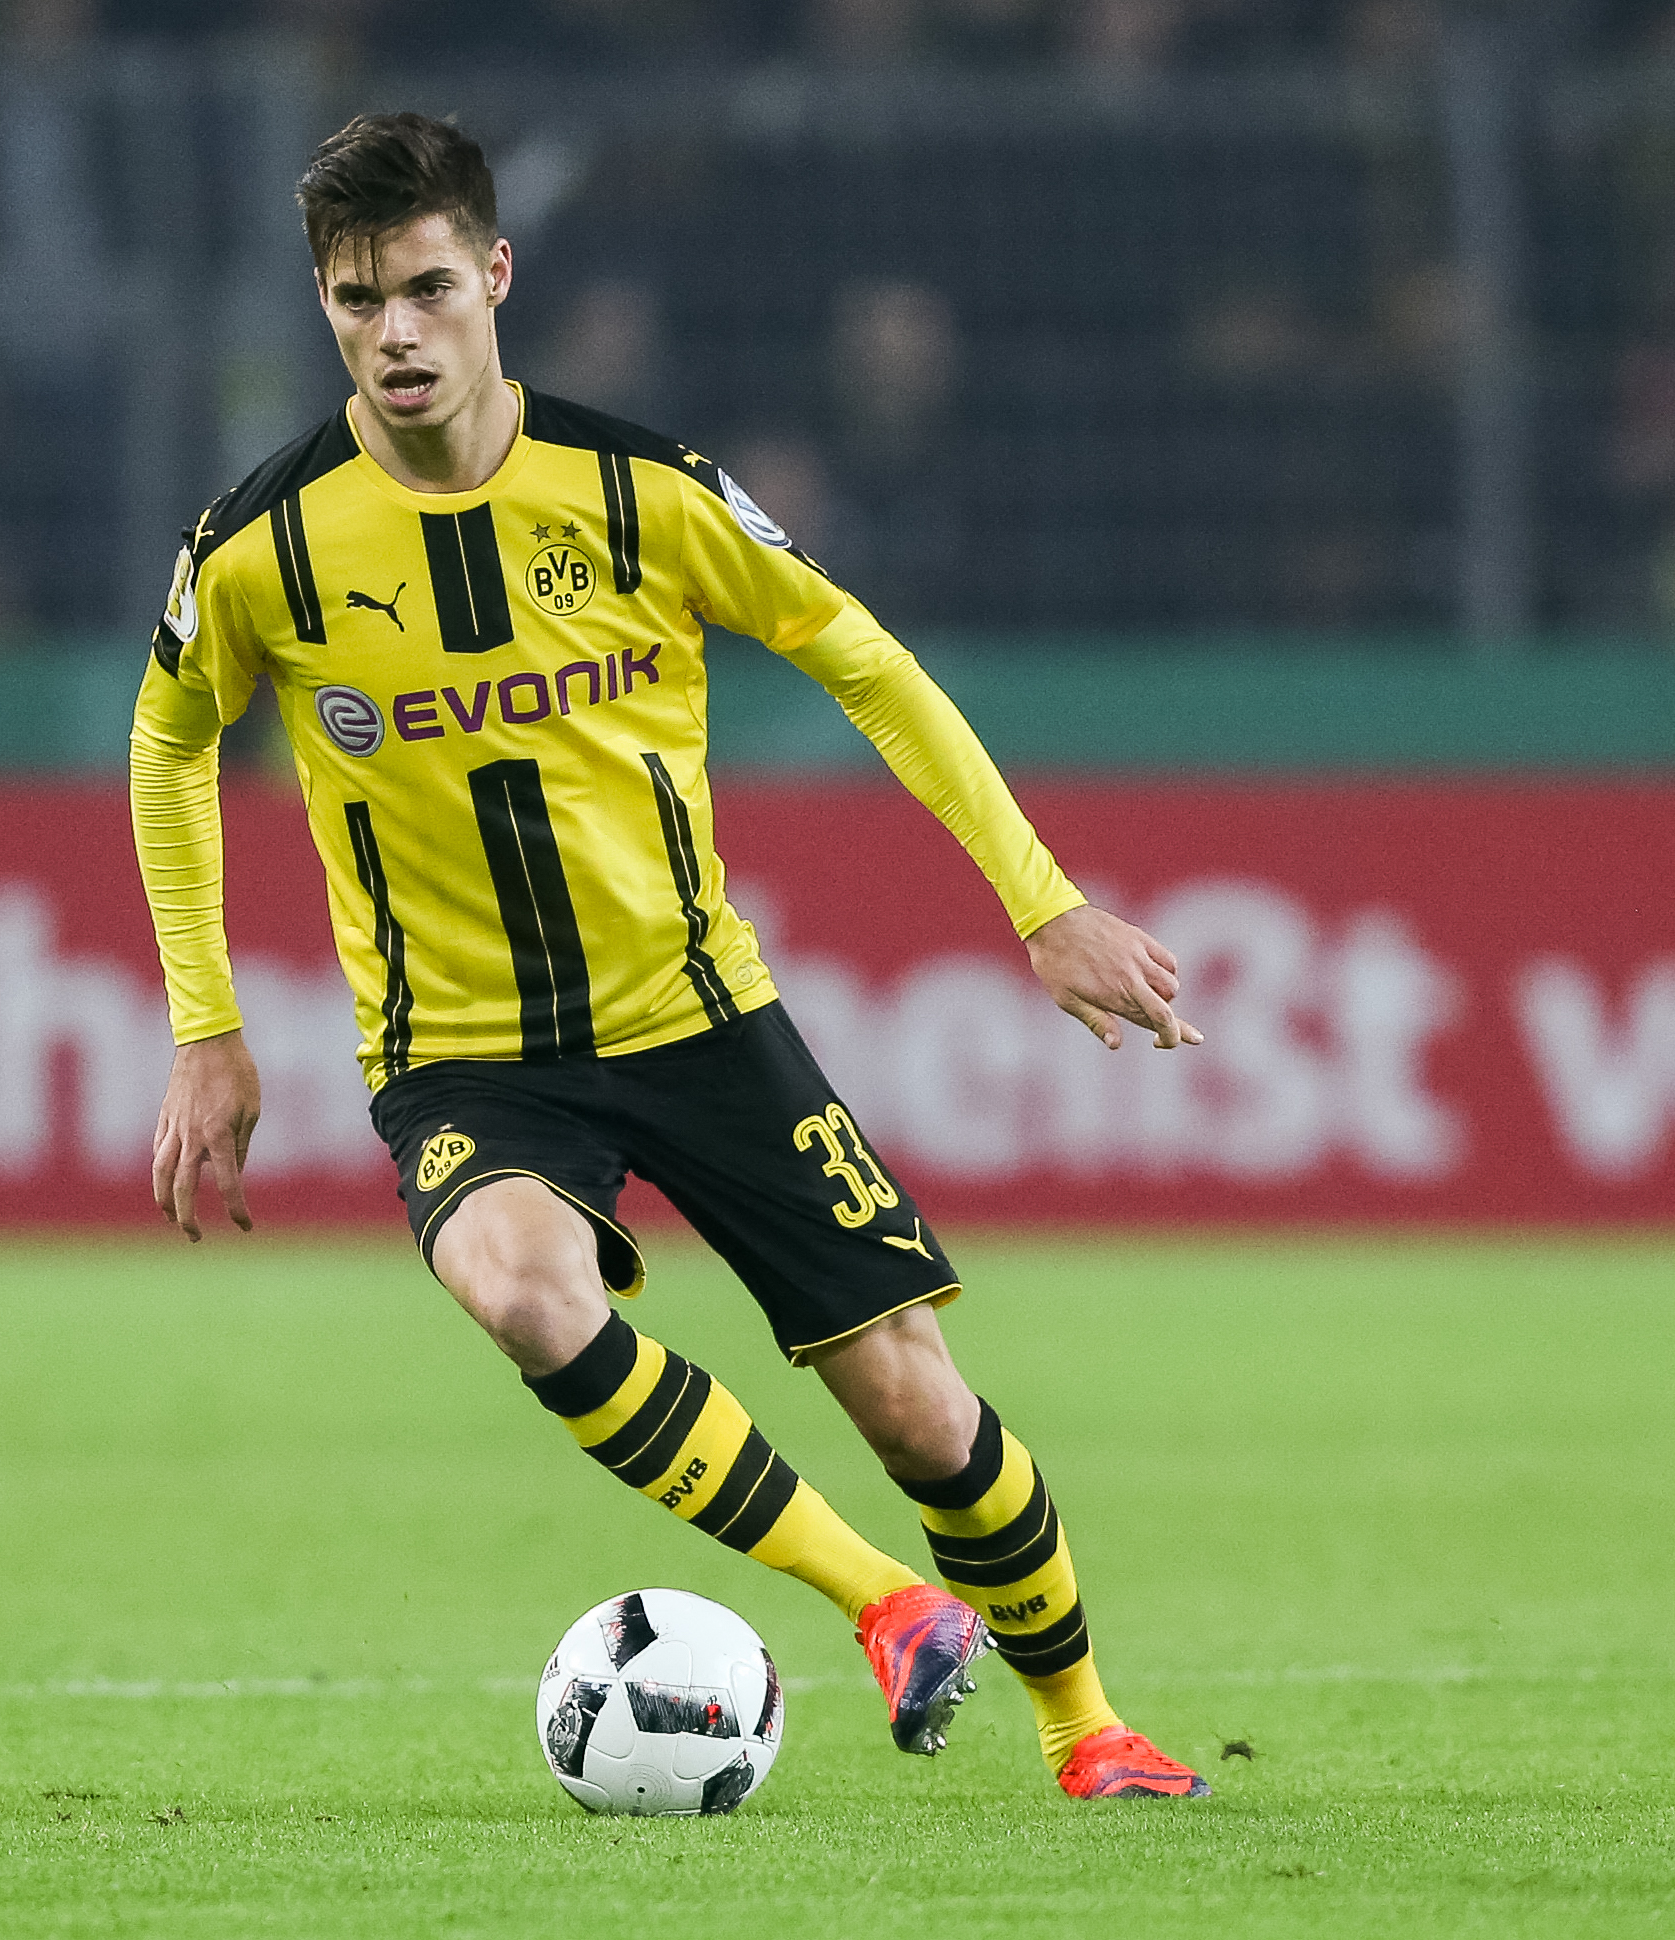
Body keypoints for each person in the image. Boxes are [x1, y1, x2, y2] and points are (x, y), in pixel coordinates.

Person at [130, 111, 1211, 1801]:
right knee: (514, 1287)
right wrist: (207, 1025)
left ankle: (1089, 1730)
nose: (393, 333)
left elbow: (860, 659)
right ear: (324, 306)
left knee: (914, 1405)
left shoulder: (641, 492)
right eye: (355, 302)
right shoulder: (262, 545)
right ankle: (880, 1605)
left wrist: (1041, 897)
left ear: (494, 276)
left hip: (696, 1015)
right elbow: (166, 745)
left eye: (424, 289)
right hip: (461, 1050)